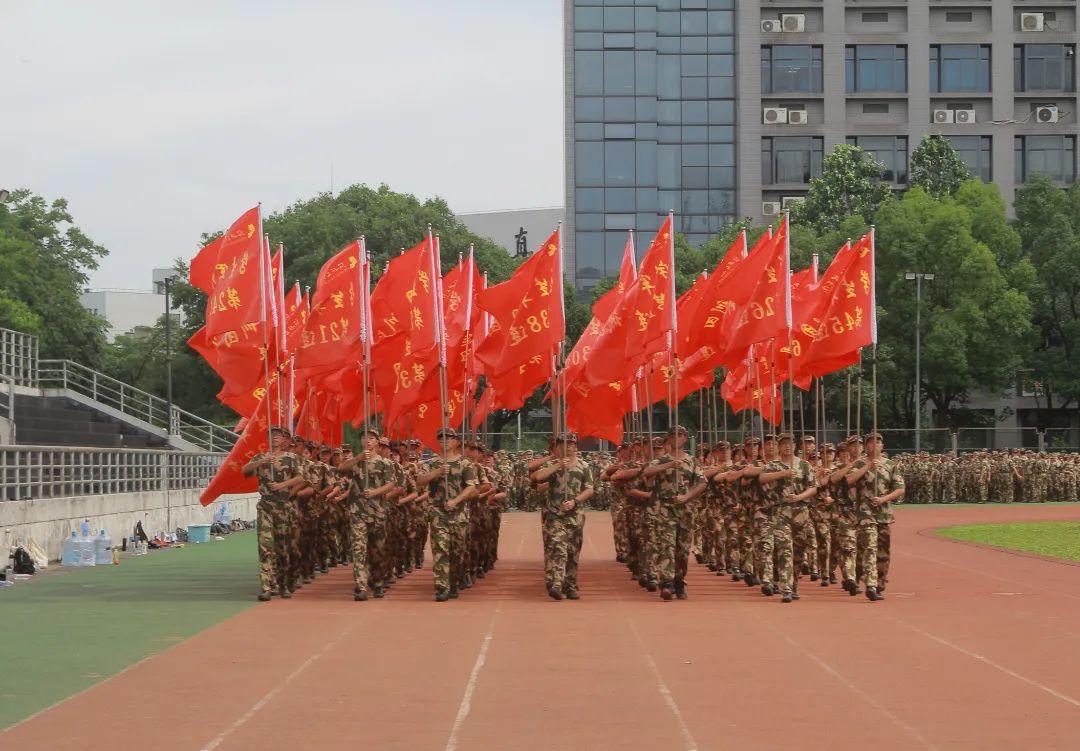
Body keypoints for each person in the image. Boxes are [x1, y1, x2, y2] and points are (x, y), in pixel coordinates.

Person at [642, 425, 706, 601]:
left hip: (685, 510)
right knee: (667, 545)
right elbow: (646, 471)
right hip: (666, 509)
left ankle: (679, 580)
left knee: (682, 549)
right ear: (668, 439)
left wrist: (687, 496)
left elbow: (702, 483)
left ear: (685, 439)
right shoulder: (661, 460)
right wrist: (668, 465)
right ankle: (667, 583)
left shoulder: (692, 461)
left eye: (680, 435)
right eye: (673, 435)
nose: (677, 438)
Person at [416, 428, 479, 602]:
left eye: (449, 437)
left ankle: (453, 581)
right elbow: (419, 481)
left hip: (459, 513)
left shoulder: (465, 464)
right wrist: (437, 472)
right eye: (441, 438)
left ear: (456, 441)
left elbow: (471, 487)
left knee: (457, 551)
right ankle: (441, 586)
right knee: (440, 550)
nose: (445, 440)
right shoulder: (431, 463)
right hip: (438, 512)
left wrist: (456, 501)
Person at [243, 427, 304, 601]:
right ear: (268, 438)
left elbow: (301, 477)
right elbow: (245, 471)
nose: (275, 438)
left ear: (283, 439)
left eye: (278, 435)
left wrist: (282, 485)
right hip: (266, 507)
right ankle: (266, 586)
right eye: (272, 435)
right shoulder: (261, 458)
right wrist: (262, 462)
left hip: (283, 507)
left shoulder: (291, 458)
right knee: (265, 546)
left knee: (283, 548)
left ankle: (283, 584)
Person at [531, 433, 594, 600]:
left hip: (575, 515)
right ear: (558, 447)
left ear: (575, 447)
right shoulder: (552, 465)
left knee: (573, 552)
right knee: (559, 548)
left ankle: (570, 585)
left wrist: (575, 501)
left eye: (570, 444)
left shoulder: (583, 466)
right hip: (555, 515)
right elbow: (537, 477)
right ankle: (557, 584)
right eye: (563, 444)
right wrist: (558, 465)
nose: (567, 447)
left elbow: (589, 489)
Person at [846, 431, 905, 601]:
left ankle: (878, 584)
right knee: (870, 547)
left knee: (883, 551)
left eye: (878, 442)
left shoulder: (890, 465)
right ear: (866, 446)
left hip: (884, 514)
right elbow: (849, 480)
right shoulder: (859, 463)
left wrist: (884, 499)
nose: (875, 445)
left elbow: (900, 488)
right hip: (865, 513)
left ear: (882, 445)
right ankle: (870, 585)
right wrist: (867, 466)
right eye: (871, 442)